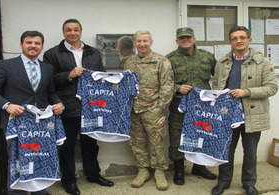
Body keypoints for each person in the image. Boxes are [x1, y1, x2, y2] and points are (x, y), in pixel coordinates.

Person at [0, 31, 64, 195]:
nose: (33, 46)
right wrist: (7, 105)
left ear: (41, 46)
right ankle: (16, 192)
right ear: (21, 45)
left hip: (41, 127)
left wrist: (58, 103)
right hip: (16, 125)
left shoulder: (47, 68)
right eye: (29, 42)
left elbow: (50, 93)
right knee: (16, 163)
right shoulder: (6, 65)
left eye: (37, 43)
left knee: (41, 159)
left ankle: (40, 191)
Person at [43, 19, 114, 195]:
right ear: (63, 32)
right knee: (67, 146)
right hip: (67, 106)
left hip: (91, 106)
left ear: (81, 32)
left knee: (91, 144)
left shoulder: (93, 52)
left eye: (76, 30)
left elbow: (101, 74)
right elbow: (48, 80)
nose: (72, 33)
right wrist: (69, 74)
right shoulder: (52, 54)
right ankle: (68, 180)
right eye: (68, 30)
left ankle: (93, 174)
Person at [211, 26, 278, 195]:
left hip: (252, 113)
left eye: (242, 37)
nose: (238, 41)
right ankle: (224, 182)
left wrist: (246, 92)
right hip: (227, 114)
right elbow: (216, 85)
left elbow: (272, 88)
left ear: (249, 40)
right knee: (225, 150)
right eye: (234, 38)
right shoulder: (222, 62)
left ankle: (249, 183)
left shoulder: (263, 62)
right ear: (230, 41)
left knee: (250, 152)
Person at [166, 27, 217, 186]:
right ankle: (179, 170)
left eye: (188, 37)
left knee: (201, 136)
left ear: (194, 39)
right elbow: (163, 83)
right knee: (177, 139)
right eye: (182, 38)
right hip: (179, 108)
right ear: (177, 41)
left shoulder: (207, 57)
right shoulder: (169, 59)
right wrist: (177, 88)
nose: (185, 40)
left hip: (202, 109)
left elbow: (220, 77)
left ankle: (199, 167)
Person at [124, 31, 174, 191]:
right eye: (139, 41)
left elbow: (167, 85)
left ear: (151, 42)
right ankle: (143, 170)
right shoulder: (129, 61)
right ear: (134, 43)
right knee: (137, 142)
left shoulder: (161, 60)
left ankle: (159, 172)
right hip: (134, 109)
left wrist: (160, 106)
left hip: (153, 109)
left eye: (145, 41)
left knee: (157, 142)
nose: (142, 44)